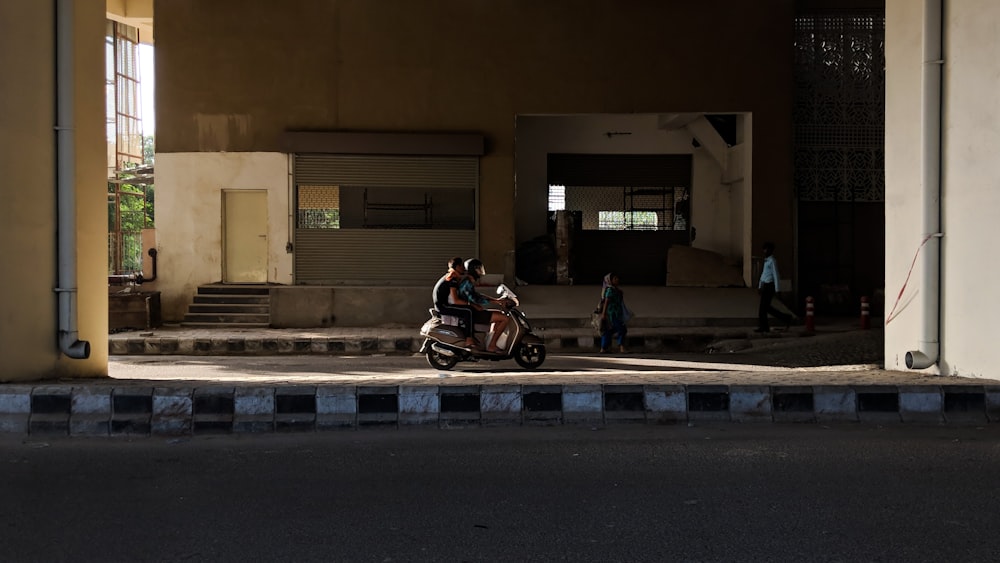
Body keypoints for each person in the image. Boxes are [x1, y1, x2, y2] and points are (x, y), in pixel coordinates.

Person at [457, 258, 510, 353]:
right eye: (479, 269)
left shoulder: (468, 281)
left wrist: (495, 301)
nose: (481, 272)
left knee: (499, 314)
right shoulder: (467, 282)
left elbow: (476, 295)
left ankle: (489, 342)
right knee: (505, 319)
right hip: (472, 313)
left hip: (473, 311)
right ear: (473, 270)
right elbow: (474, 298)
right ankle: (492, 345)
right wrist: (492, 301)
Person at [432, 257, 478, 349]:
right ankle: (469, 339)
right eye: (462, 266)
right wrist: (472, 304)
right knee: (468, 311)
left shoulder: (451, 276)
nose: (464, 269)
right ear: (457, 267)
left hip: (443, 305)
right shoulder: (452, 278)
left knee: (467, 309)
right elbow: (456, 300)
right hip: (444, 307)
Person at [756, 241, 793, 333]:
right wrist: (760, 286)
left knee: (762, 309)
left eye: (767, 249)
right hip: (765, 286)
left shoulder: (772, 261)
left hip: (770, 286)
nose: (765, 251)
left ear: (771, 250)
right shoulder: (766, 261)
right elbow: (763, 275)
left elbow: (776, 275)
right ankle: (786, 318)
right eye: (764, 249)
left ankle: (764, 327)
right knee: (767, 308)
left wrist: (777, 289)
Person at [598, 272, 628, 353]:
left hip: (618, 313)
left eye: (617, 278)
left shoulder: (617, 291)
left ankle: (604, 348)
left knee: (608, 331)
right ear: (610, 280)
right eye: (614, 278)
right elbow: (606, 302)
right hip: (612, 314)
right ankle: (621, 346)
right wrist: (604, 314)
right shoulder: (610, 290)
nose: (617, 280)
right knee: (622, 329)